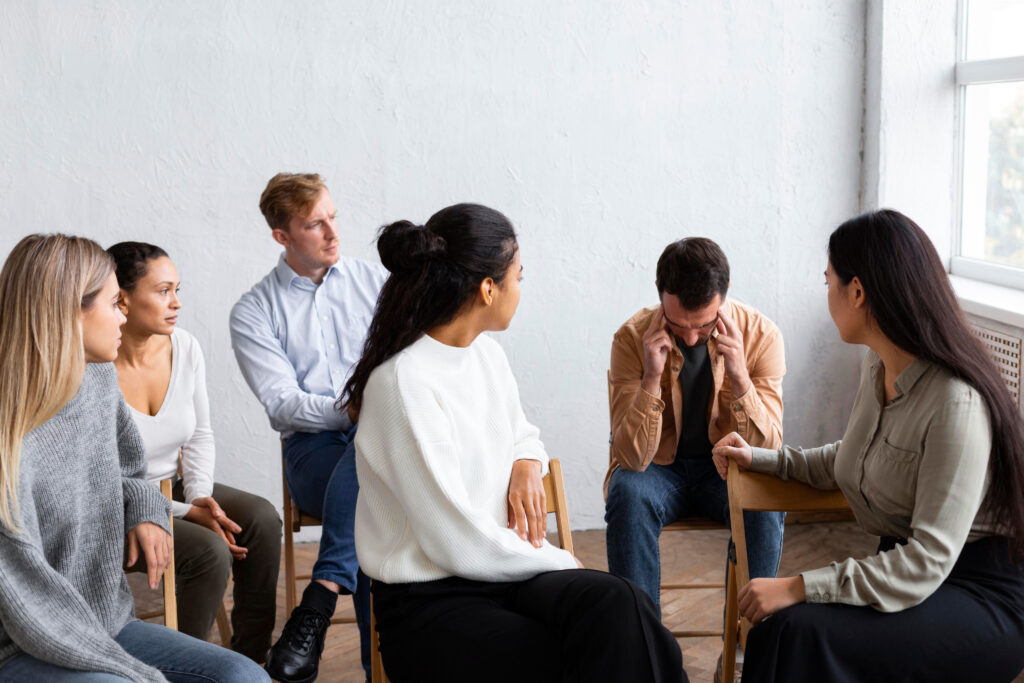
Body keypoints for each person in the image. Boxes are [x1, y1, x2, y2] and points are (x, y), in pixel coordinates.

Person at [348, 203, 686, 683]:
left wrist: (527, 459)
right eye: (519, 278)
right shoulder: (402, 385)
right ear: (489, 289)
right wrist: (559, 558)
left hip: (503, 574)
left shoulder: (485, 356)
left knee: (622, 602)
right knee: (580, 651)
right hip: (433, 601)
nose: (521, 290)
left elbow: (520, 431)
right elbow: (455, 539)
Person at [713, 210, 1024, 682]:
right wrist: (762, 459)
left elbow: (926, 561)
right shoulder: (879, 368)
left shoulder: (955, 402)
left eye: (828, 283)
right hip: (907, 573)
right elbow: (852, 459)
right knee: (782, 632)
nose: (827, 296)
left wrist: (801, 585)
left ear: (857, 292)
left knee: (796, 632)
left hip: (976, 591)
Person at [0, 233, 268, 683]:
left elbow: (127, 470)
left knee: (245, 677)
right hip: (23, 643)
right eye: (113, 303)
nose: (123, 313)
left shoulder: (96, 379)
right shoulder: (11, 431)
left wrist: (144, 509)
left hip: (105, 622)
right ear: (68, 312)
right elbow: (23, 594)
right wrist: (131, 672)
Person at [230, 173, 387, 682]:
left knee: (369, 508)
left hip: (382, 440)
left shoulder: (376, 283)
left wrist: (373, 414)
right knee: (372, 497)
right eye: (315, 224)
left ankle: (317, 604)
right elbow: (282, 403)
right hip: (313, 452)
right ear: (282, 236)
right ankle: (379, 671)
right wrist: (352, 411)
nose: (332, 232)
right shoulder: (253, 310)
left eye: (333, 217)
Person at [109, 241, 282, 664]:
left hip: (175, 488)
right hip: (117, 502)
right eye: (163, 291)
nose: (177, 303)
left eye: (177, 290)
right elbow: (99, 473)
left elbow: (200, 436)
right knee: (209, 550)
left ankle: (250, 658)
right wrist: (188, 514)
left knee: (259, 517)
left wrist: (199, 496)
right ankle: (188, 667)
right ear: (123, 299)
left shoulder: (184, 346)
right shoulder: (93, 362)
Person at [604, 237, 787, 612]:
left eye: (702, 326)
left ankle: (745, 642)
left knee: (766, 497)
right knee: (628, 492)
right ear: (659, 293)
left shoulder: (762, 336)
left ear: (725, 295)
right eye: (677, 324)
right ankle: (641, 646)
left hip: (726, 471)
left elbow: (767, 450)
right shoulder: (630, 338)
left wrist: (740, 379)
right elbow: (630, 457)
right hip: (657, 469)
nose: (688, 337)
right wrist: (651, 379)